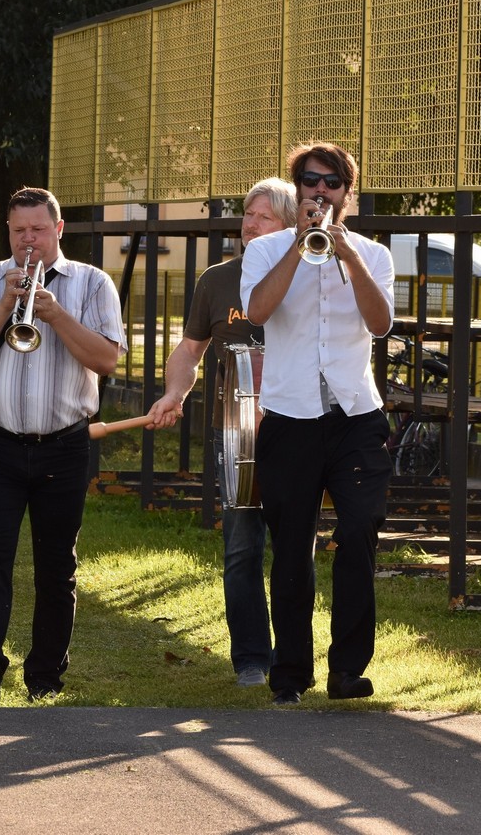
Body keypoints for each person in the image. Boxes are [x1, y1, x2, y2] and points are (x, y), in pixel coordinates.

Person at [0, 187, 125, 705]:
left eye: (37, 230)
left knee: (57, 564)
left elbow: (107, 361)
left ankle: (45, 674)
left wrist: (56, 316)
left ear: (58, 230)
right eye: (18, 231)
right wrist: (8, 302)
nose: (28, 240)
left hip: (63, 446)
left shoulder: (93, 284)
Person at [240, 142, 394, 706]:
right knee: (290, 548)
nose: (319, 192)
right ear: (297, 189)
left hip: (355, 414)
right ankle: (291, 673)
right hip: (291, 415)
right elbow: (257, 312)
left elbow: (379, 325)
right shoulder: (268, 250)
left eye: (331, 184)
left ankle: (348, 670)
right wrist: (299, 250)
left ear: (347, 195)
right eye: (310, 182)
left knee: (359, 533)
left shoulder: (372, 254)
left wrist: (346, 256)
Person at [145, 177, 296, 689]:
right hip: (235, 433)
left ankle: (294, 658)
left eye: (265, 217)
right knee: (242, 545)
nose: (251, 224)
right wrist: (174, 393)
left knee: (296, 545)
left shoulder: (309, 273)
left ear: (291, 226)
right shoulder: (217, 279)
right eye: (249, 214)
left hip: (298, 431)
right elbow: (190, 351)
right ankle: (252, 659)